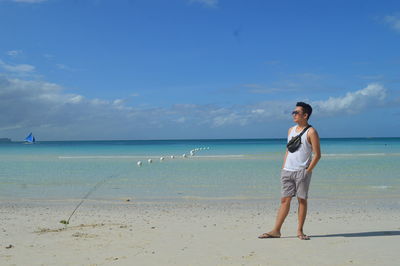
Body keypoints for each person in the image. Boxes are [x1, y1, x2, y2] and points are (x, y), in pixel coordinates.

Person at [258, 102, 321, 240]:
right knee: (284, 200)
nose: (293, 115)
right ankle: (276, 230)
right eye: (293, 112)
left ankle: (300, 231)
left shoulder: (311, 132)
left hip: (301, 171)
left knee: (302, 200)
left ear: (305, 115)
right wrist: (283, 166)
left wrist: (307, 171)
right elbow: (288, 149)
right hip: (287, 170)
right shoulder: (290, 130)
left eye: (296, 112)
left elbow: (317, 155)